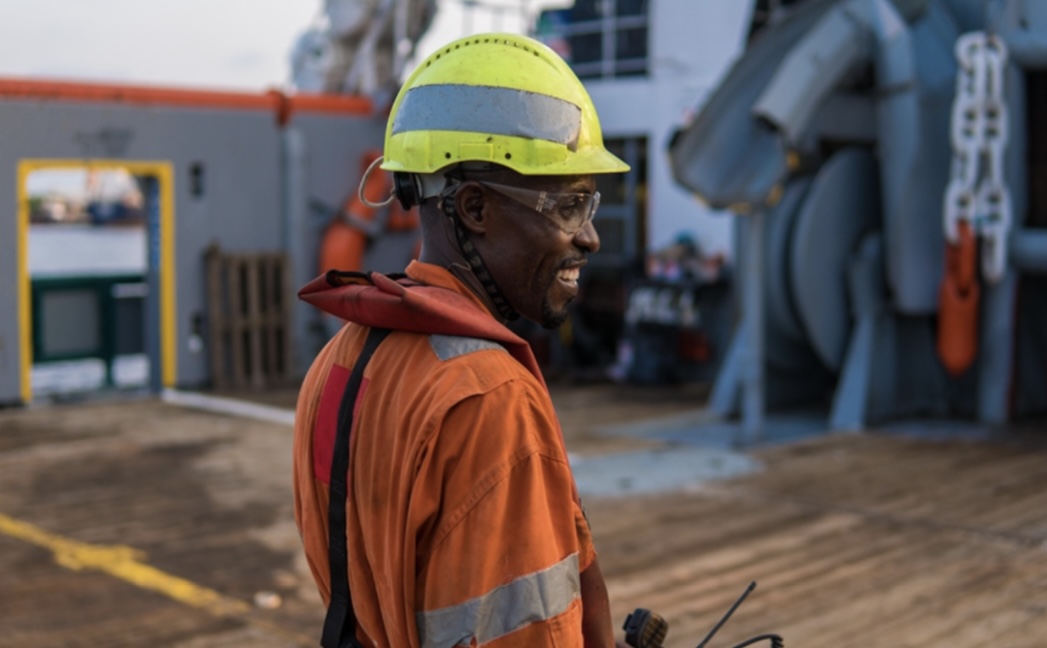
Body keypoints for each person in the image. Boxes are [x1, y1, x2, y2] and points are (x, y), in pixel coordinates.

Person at [293, 32, 630, 648]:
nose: (589, 237)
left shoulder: (335, 366)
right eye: (569, 205)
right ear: (474, 207)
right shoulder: (488, 400)